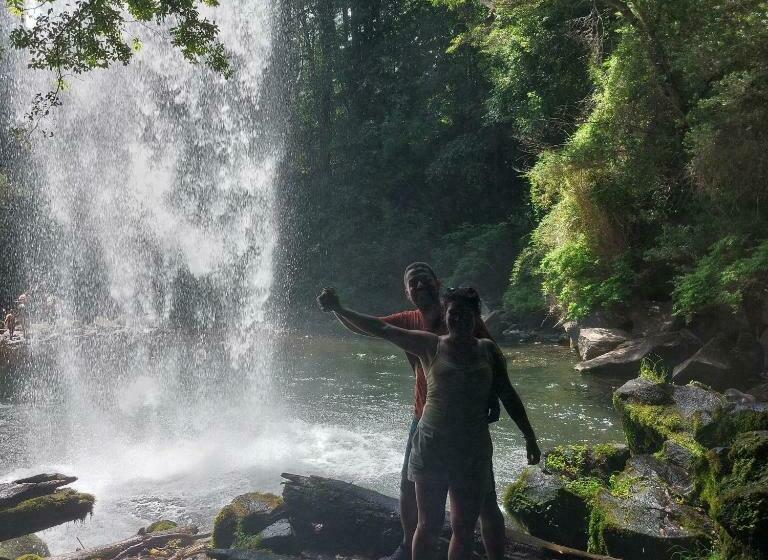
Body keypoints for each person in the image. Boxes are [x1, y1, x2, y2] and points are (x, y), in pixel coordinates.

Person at [318, 285, 540, 560]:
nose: (458, 319)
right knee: (429, 525)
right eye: (453, 314)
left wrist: (529, 436)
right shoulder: (430, 344)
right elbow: (382, 329)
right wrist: (340, 309)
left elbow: (508, 393)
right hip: (432, 448)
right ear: (445, 315)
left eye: (466, 314)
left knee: (464, 528)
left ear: (476, 316)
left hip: (473, 452)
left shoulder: (488, 351)